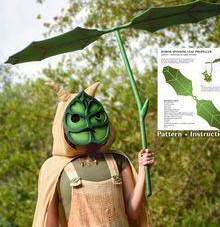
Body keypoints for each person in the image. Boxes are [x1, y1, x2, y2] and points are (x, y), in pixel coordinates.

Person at [33, 82, 154, 227]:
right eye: (76, 119)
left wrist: (142, 170)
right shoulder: (54, 170)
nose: (88, 125)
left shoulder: (118, 161)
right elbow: (50, 223)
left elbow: (133, 212)